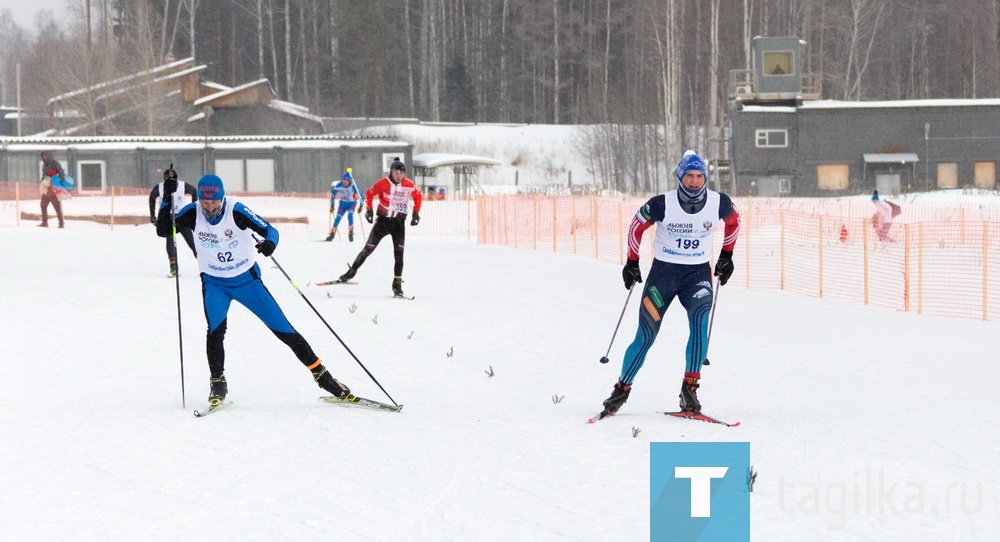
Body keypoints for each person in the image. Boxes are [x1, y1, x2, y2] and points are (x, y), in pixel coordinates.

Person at [155, 174, 352, 407]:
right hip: (215, 283)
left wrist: (270, 243)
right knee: (215, 332)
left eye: (214, 203)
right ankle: (217, 382)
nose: (210, 208)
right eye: (205, 203)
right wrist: (167, 198)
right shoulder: (192, 212)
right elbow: (163, 229)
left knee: (284, 330)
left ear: (222, 197)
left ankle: (324, 377)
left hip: (247, 283)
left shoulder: (236, 211)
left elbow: (270, 230)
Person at [599, 150, 741, 418]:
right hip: (663, 275)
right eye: (689, 176)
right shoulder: (661, 203)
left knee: (700, 322)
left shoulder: (718, 202)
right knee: (646, 334)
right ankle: (621, 389)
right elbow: (636, 227)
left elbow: (734, 222)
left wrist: (727, 255)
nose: (695, 181)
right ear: (680, 177)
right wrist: (631, 262)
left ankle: (690, 390)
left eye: (700, 176)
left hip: (697, 275)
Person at [335, 160, 423, 297]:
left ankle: (397, 284)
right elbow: (369, 194)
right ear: (391, 173)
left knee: (399, 254)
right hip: (383, 222)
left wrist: (416, 213)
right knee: (368, 249)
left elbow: (418, 196)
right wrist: (369, 210)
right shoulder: (382, 183)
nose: (398, 176)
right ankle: (351, 272)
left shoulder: (409, 185)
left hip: (398, 224)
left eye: (401, 173)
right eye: (395, 173)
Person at [148, 166, 198, 277]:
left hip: (181, 217)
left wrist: (194, 209)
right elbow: (152, 198)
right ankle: (173, 268)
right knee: (170, 242)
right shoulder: (160, 187)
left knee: (192, 242)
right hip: (168, 218)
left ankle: (205, 267)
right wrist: (153, 215)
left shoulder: (183, 185)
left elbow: (194, 192)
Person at [324, 169, 364, 242]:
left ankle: (351, 233)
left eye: (346, 180)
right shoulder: (339, 185)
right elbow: (333, 195)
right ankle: (332, 234)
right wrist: (332, 206)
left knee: (350, 215)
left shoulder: (353, 186)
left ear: (349, 180)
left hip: (352, 204)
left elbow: (362, 196)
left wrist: (361, 206)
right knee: (338, 218)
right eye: (343, 180)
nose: (344, 182)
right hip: (342, 204)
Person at [38, 151, 71, 228]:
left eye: (45, 156)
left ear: (49, 156)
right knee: (43, 205)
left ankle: (61, 223)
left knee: (57, 206)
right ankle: (45, 222)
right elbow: (44, 175)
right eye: (43, 156)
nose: (44, 158)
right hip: (46, 187)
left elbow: (61, 172)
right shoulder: (44, 165)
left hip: (53, 188)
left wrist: (59, 181)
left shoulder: (55, 163)